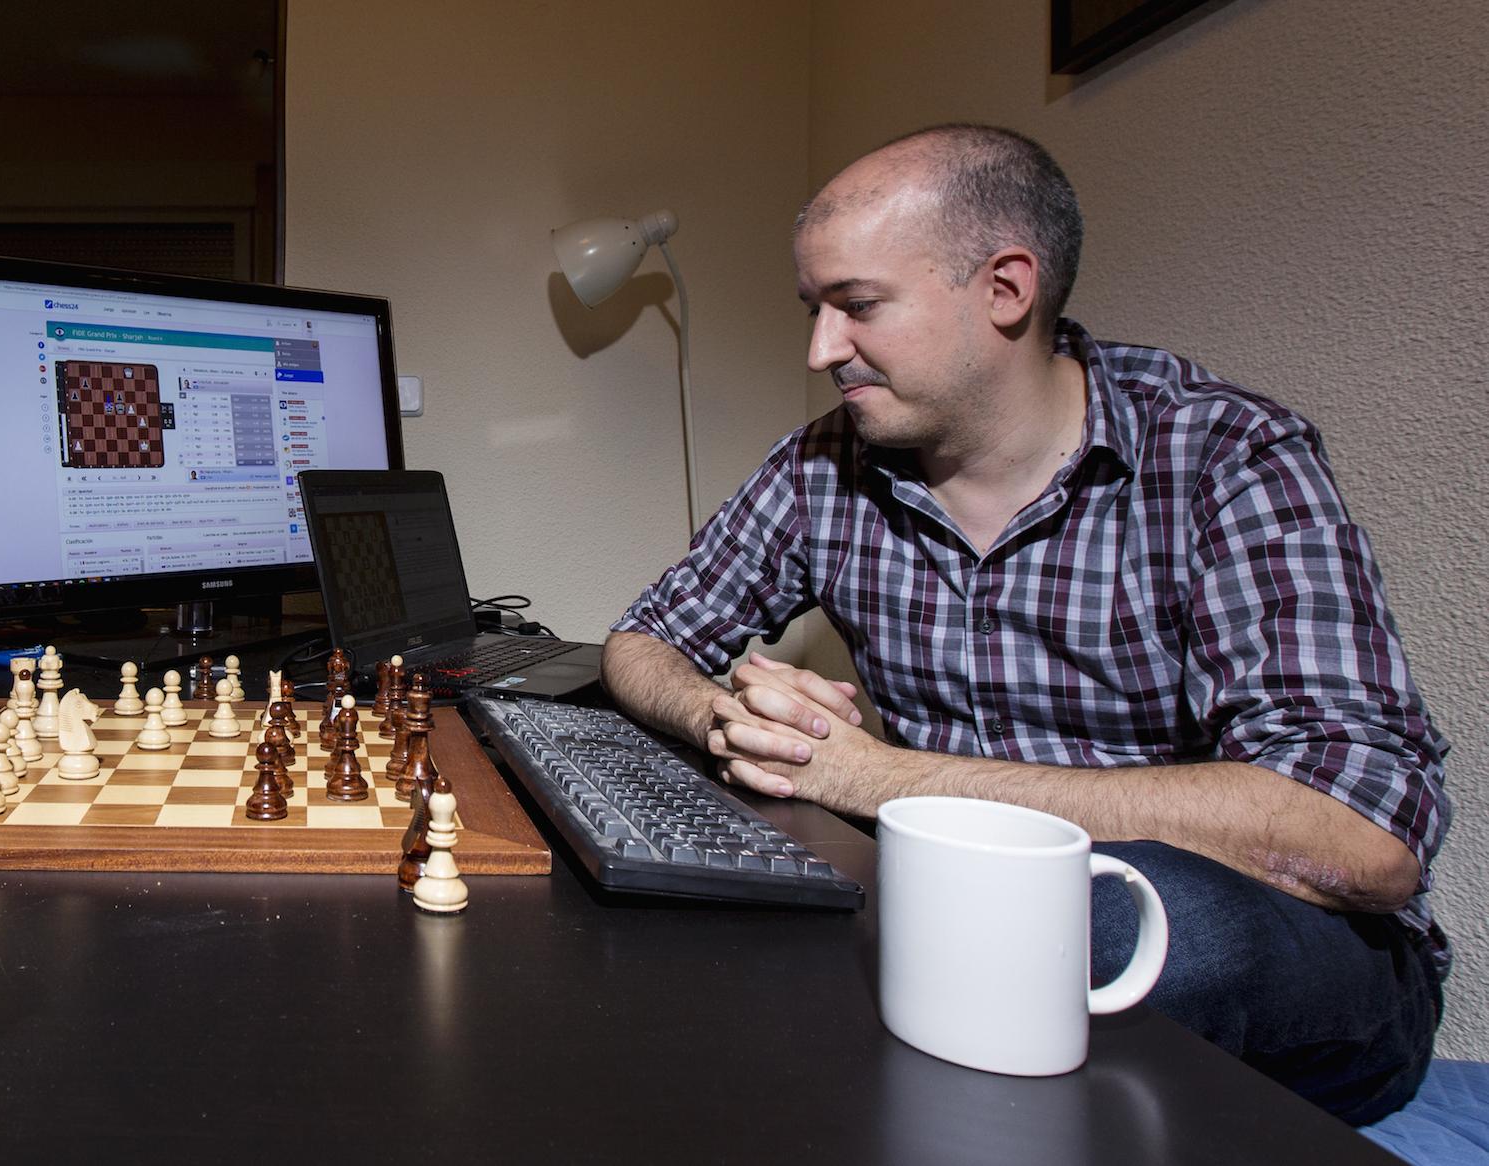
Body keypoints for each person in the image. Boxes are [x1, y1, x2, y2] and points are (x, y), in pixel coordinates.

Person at [605, 124, 1448, 1124]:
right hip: (964, 918)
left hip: (1274, 947)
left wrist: (891, 778)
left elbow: (1361, 836)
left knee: (1115, 917)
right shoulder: (823, 466)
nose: (820, 349)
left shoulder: (1225, 454)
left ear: (1005, 289)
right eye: (814, 308)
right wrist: (729, 720)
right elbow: (640, 639)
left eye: (856, 306)